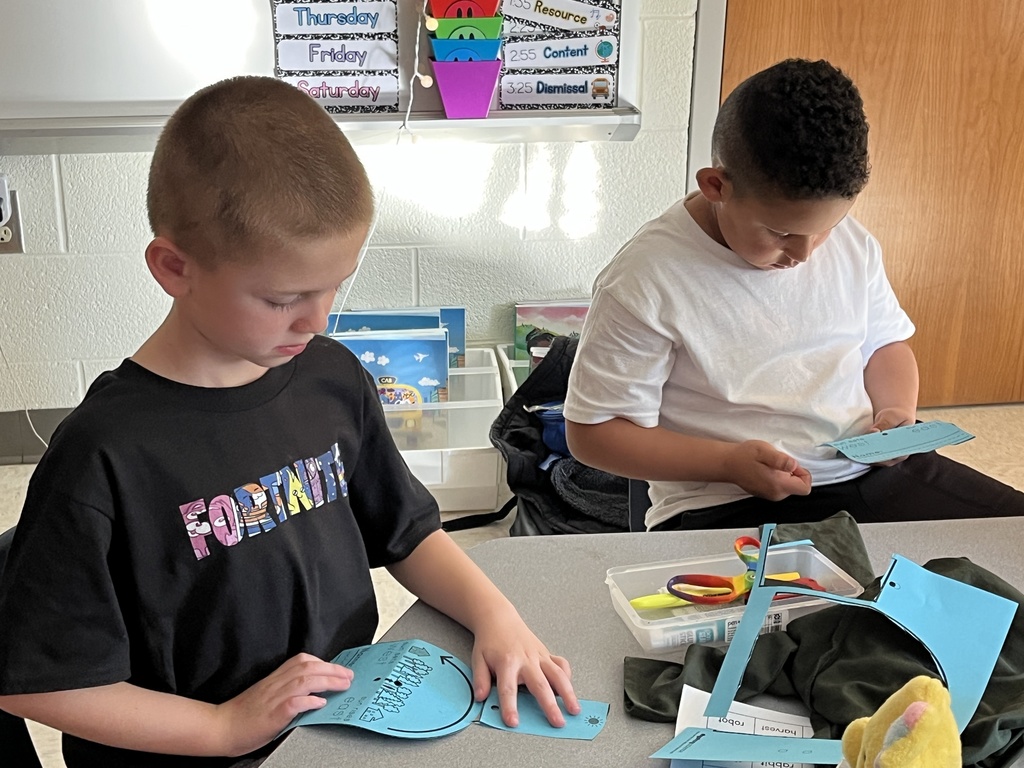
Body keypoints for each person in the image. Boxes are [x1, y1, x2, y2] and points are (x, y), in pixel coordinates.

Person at [0, 75, 579, 767]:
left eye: (337, 284)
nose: (319, 319)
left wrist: (497, 618)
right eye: (283, 298)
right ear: (173, 267)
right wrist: (222, 728)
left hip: (338, 729)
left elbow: (408, 533)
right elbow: (40, 686)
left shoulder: (330, 375)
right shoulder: (103, 455)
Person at [563, 58, 1024, 532]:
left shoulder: (853, 243)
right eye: (781, 232)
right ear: (716, 186)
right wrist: (726, 463)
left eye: (827, 228)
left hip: (870, 473)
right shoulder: (645, 278)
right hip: (728, 498)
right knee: (833, 604)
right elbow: (594, 434)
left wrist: (897, 412)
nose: (805, 253)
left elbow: (886, 346)